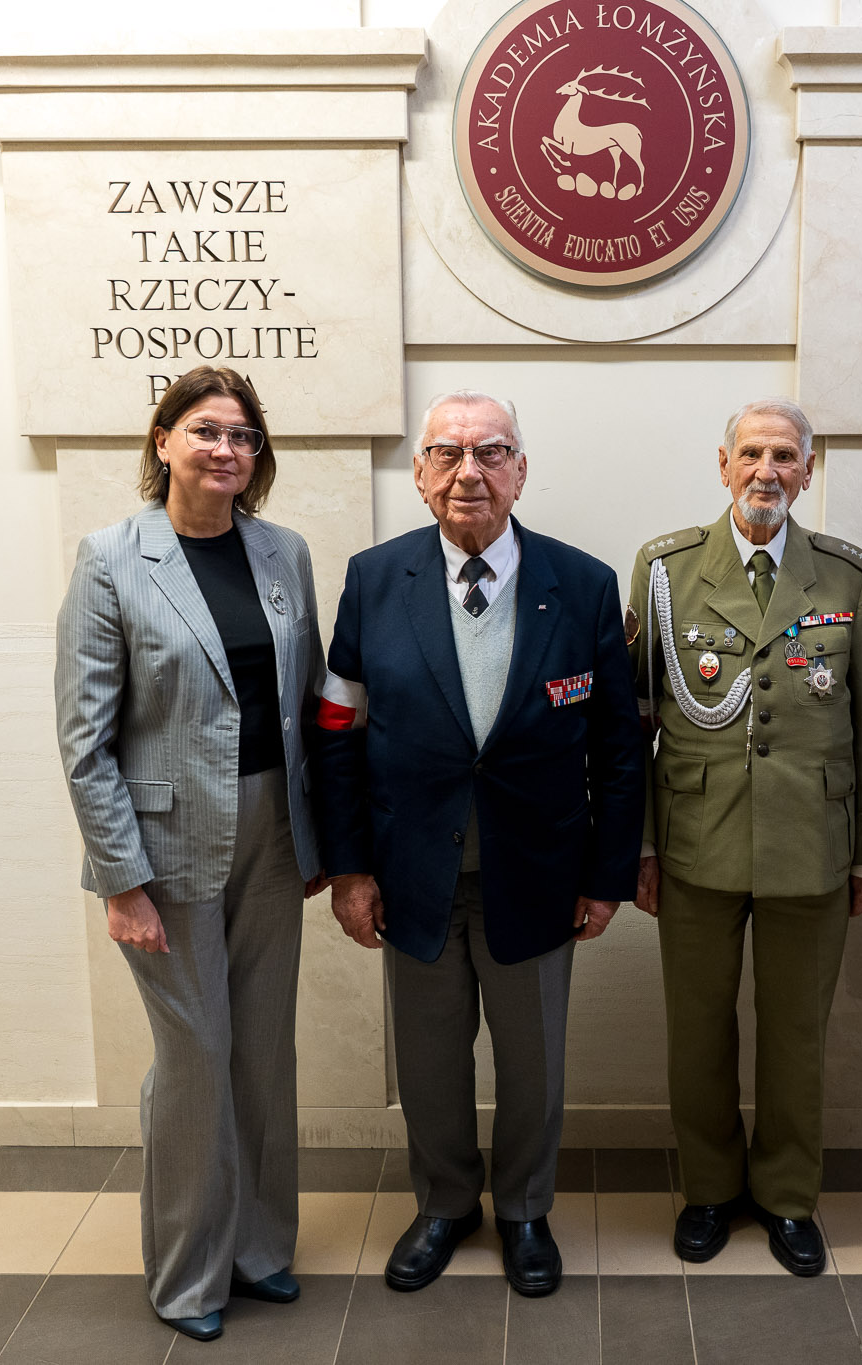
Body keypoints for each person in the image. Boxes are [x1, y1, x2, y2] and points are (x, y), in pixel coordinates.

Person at [310, 390, 645, 1299]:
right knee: (427, 1063)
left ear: (521, 471)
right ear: (420, 475)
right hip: (410, 873)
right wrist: (349, 867)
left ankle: (526, 1210)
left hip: (539, 874)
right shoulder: (374, 580)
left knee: (534, 1064)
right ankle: (445, 1203)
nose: (470, 472)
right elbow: (338, 730)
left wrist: (608, 875)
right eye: (448, 453)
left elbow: (619, 748)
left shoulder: (583, 583)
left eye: (491, 451)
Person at [55, 365, 327, 1343]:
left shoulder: (284, 552)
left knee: (261, 1053)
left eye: (243, 436)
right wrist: (121, 880)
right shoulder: (111, 558)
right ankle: (186, 1275)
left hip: (273, 832)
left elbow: (306, 702)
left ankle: (256, 1250)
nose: (226, 449)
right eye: (206, 430)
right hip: (164, 849)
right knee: (196, 1058)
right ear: (162, 439)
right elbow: (84, 738)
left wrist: (321, 834)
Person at [625, 397, 862, 1276]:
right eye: (751, 453)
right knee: (697, 1032)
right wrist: (639, 847)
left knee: (796, 1037)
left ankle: (786, 1195)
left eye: (785, 455)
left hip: (812, 846)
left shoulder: (847, 575)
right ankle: (709, 1189)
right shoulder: (666, 568)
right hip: (695, 842)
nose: (766, 470)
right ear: (723, 464)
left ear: (808, 471)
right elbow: (634, 724)